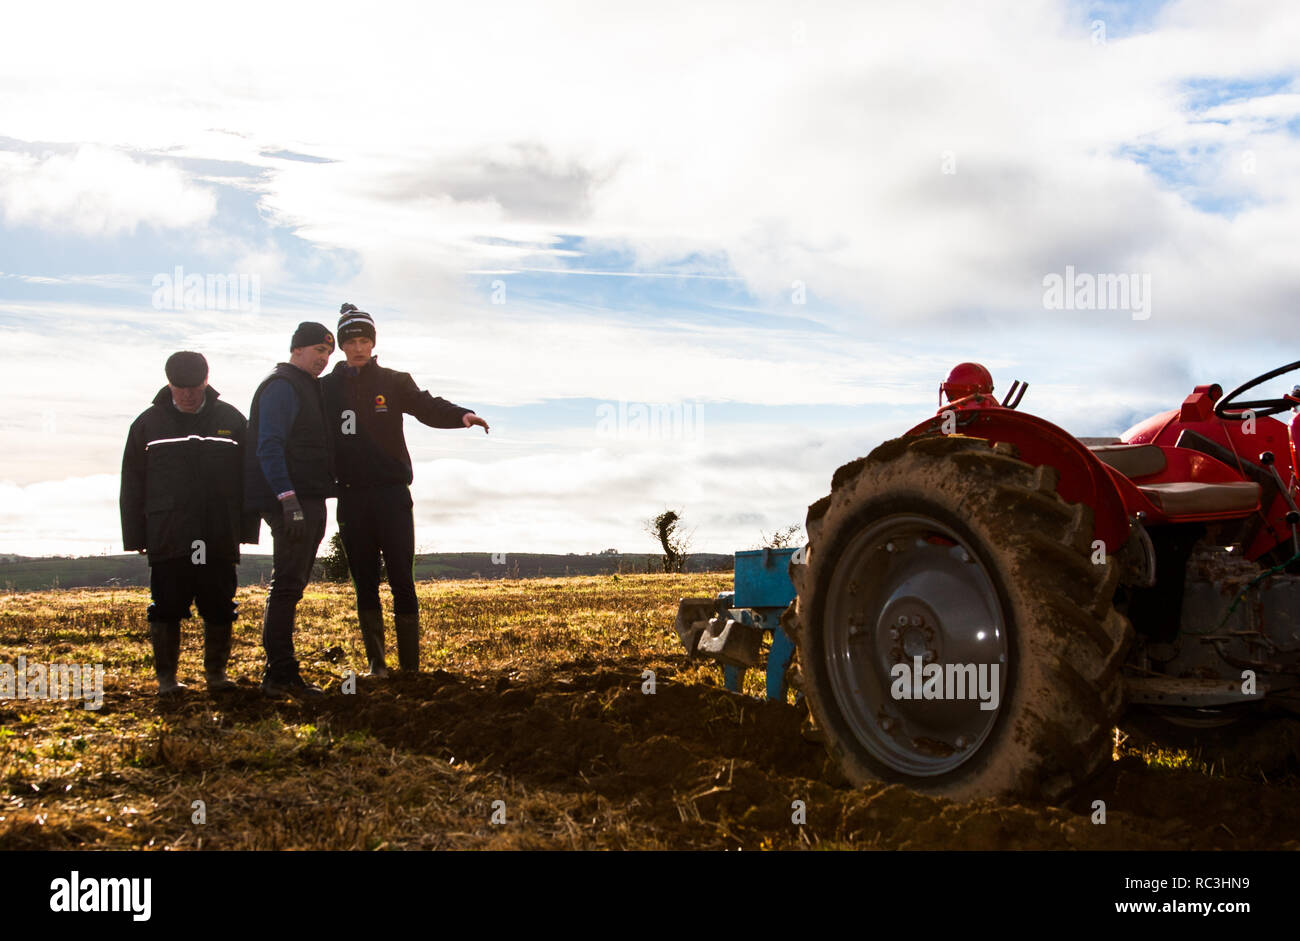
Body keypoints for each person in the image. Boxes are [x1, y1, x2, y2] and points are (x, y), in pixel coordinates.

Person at [321, 303, 489, 677]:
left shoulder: (395, 381)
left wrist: (462, 415)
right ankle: (377, 666)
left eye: (365, 340)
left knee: (401, 578)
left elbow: (426, 406)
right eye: (352, 341)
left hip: (393, 494)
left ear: (374, 342)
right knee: (364, 581)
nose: (359, 347)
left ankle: (410, 669)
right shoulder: (326, 389)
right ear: (342, 346)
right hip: (351, 496)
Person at [120, 351, 257, 695]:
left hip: (219, 532)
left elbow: (250, 476)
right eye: (180, 388)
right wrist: (135, 534)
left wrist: (246, 529)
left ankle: (216, 676)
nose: (187, 395)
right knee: (166, 606)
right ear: (169, 383)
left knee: (220, 605)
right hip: (168, 535)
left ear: (206, 381)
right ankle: (167, 680)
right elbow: (132, 483)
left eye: (194, 387)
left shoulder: (232, 420)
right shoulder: (147, 425)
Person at [245, 322, 337, 698]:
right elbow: (269, 445)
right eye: (318, 350)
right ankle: (279, 675)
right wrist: (288, 499)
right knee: (286, 586)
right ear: (296, 349)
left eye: (329, 353)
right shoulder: (282, 386)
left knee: (292, 585)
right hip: (292, 502)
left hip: (308, 497)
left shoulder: (305, 386)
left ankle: (280, 670)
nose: (324, 359)